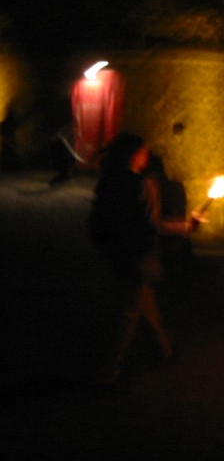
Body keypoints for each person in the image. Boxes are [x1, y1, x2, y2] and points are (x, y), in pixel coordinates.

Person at [88, 133, 200, 384]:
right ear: (134, 155)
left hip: (118, 250)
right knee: (130, 310)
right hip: (137, 253)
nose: (147, 154)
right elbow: (152, 225)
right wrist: (185, 226)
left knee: (144, 304)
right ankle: (113, 369)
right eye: (144, 150)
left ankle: (165, 349)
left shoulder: (110, 179)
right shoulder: (142, 184)